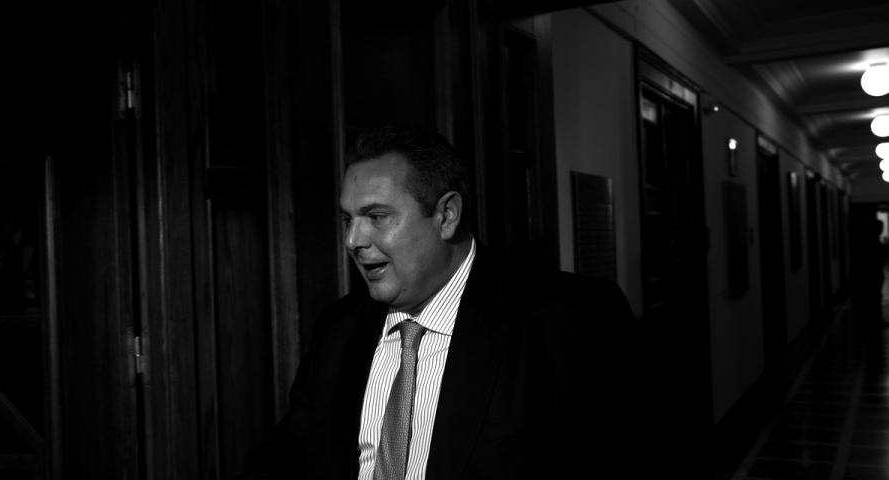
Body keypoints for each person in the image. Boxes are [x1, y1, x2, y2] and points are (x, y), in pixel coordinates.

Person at [238, 124, 645, 479]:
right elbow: (285, 456)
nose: (353, 240)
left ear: (447, 215)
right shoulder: (338, 329)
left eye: (376, 217)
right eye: (348, 219)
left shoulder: (570, 319)